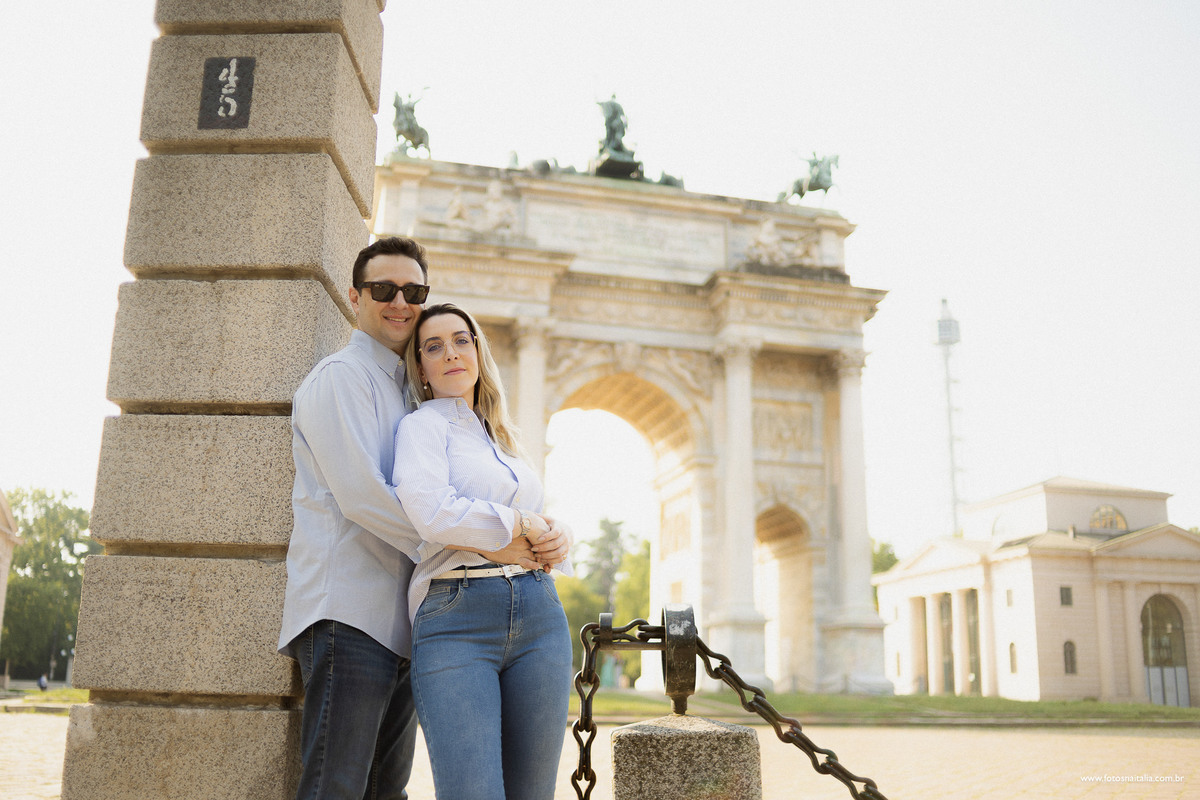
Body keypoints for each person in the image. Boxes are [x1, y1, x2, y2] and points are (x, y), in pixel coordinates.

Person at [278, 238, 568, 800]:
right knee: (335, 786)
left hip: (406, 620)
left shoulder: (416, 398)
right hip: (349, 613)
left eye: (414, 291)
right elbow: (364, 497)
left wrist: (534, 534)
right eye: (383, 290)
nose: (400, 303)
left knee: (386, 790)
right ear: (354, 296)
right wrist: (487, 543)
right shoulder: (341, 378)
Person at [393, 303, 574, 800]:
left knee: (534, 794)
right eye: (434, 347)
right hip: (457, 617)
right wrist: (518, 525)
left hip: (540, 614)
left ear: (478, 352)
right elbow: (432, 512)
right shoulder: (420, 428)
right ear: (421, 369)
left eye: (461, 340)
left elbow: (539, 516)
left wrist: (559, 536)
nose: (450, 353)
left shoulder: (505, 439)